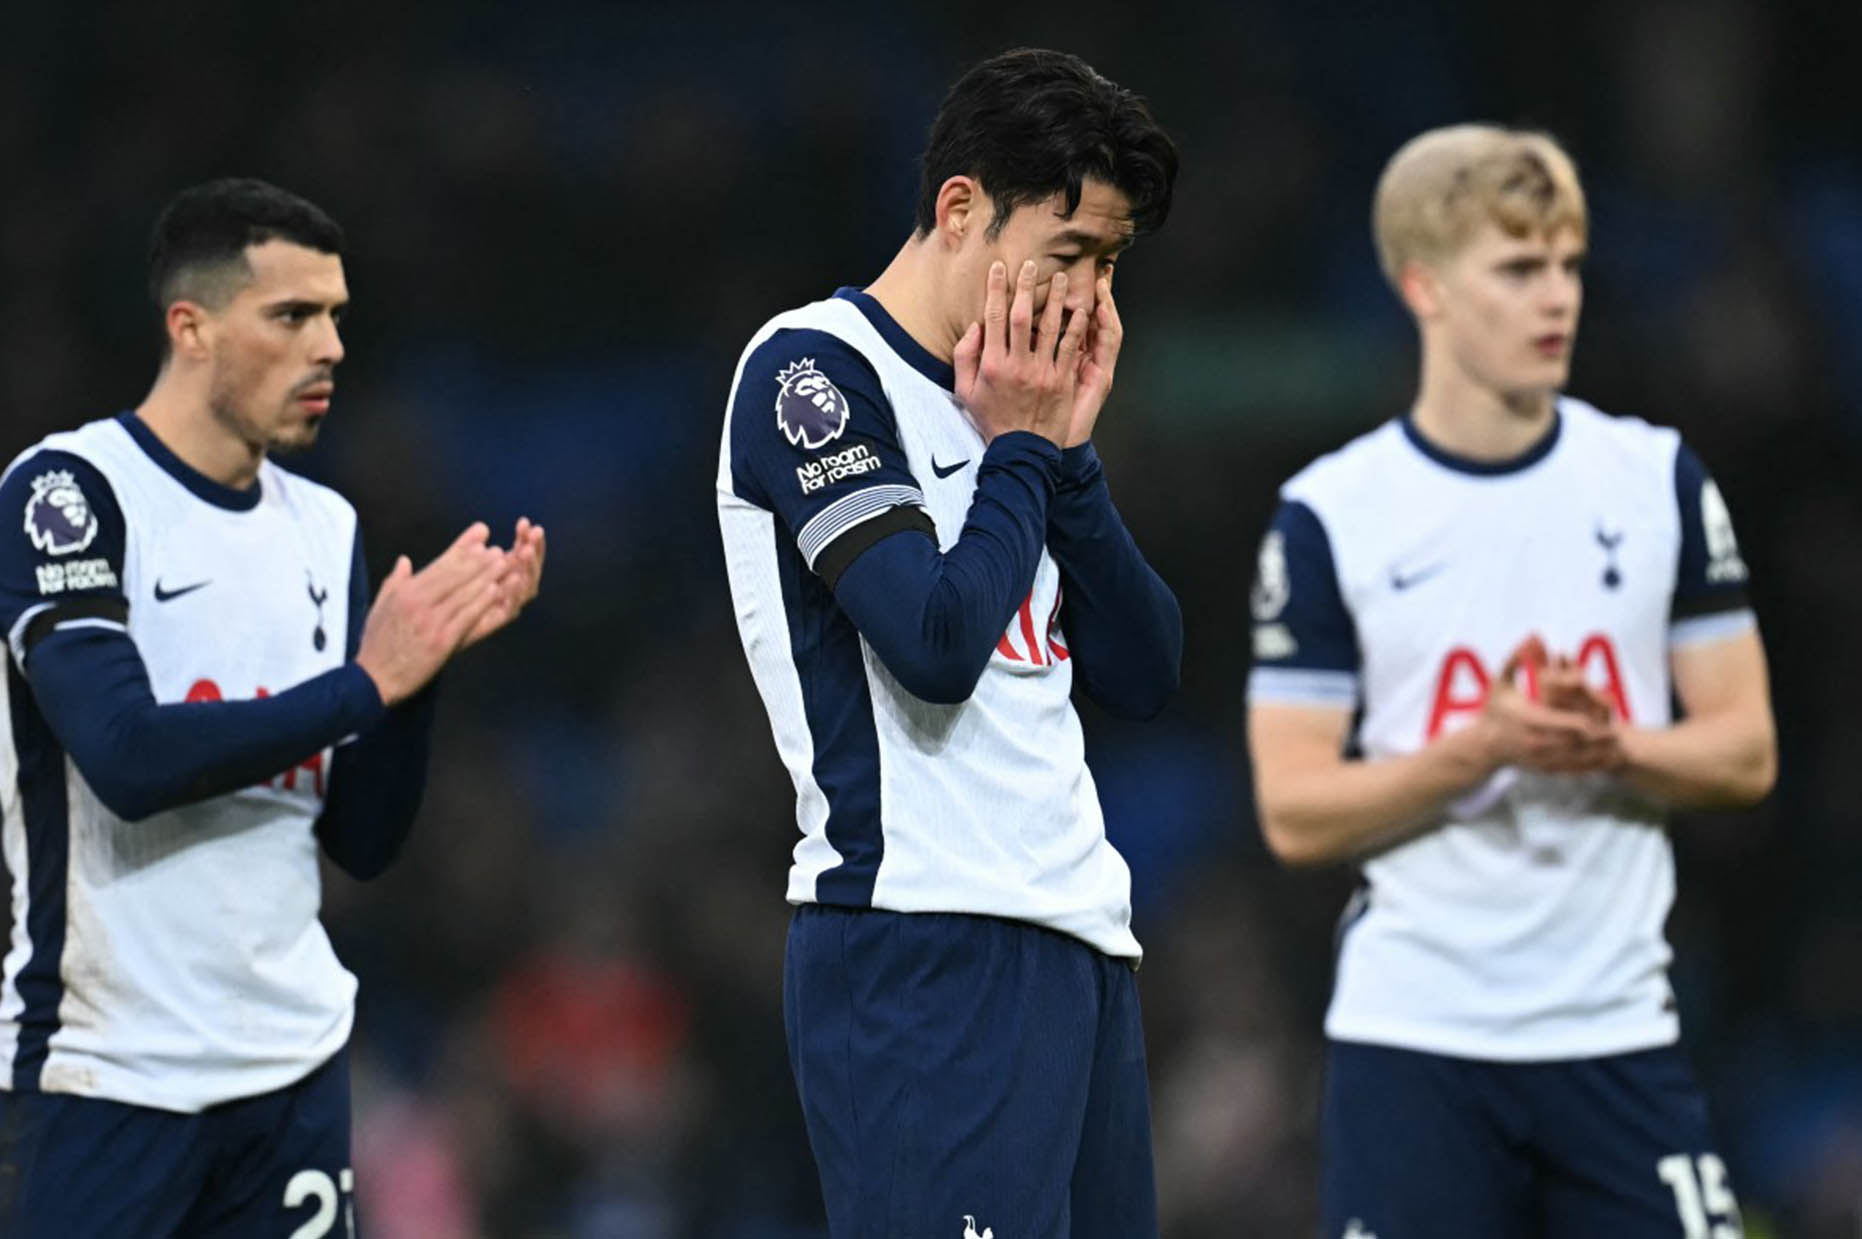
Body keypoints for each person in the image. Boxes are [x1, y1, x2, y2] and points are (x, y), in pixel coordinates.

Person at [1246, 125, 1775, 1238]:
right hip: (1413, 1042)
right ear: (1422, 285)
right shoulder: (1330, 516)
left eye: (1569, 267)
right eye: (1518, 269)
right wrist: (1480, 748)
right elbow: (1293, 812)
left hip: (1615, 1031)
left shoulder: (1655, 479)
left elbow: (1745, 752)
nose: (1557, 301)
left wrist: (1612, 747)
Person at [0, 178, 545, 1237]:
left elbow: (360, 837)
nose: (331, 346)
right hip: (104, 1076)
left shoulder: (324, 528)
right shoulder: (68, 494)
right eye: (292, 316)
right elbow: (125, 754)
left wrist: (415, 680)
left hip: (288, 1077)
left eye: (337, 315)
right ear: (190, 329)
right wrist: (363, 684)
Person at [717, 47, 1180, 1238]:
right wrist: (1024, 449)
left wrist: (1064, 459)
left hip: (1080, 938)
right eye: (1068, 252)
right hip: (914, 942)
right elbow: (931, 643)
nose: (1084, 294)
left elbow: (1144, 672)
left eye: (1109, 265)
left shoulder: (1013, 406)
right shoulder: (813, 371)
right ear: (960, 209)